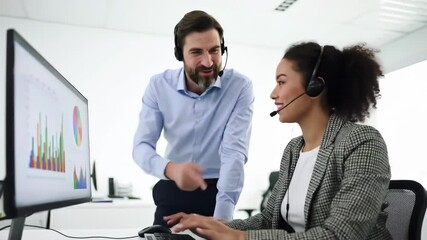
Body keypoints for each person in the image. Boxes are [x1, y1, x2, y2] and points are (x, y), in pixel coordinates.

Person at [164, 41, 392, 239]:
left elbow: (339, 236)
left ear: (315, 87)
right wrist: (215, 227)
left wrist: (238, 238)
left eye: (281, 82)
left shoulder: (362, 142)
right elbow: (268, 219)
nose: (273, 94)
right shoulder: (294, 150)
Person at [132, 10, 254, 226]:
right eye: (197, 52)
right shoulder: (159, 86)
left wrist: (221, 221)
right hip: (172, 189)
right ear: (180, 54)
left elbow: (234, 153)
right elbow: (141, 146)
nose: (208, 62)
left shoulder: (240, 87)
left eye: (215, 51)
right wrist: (171, 168)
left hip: (217, 193)